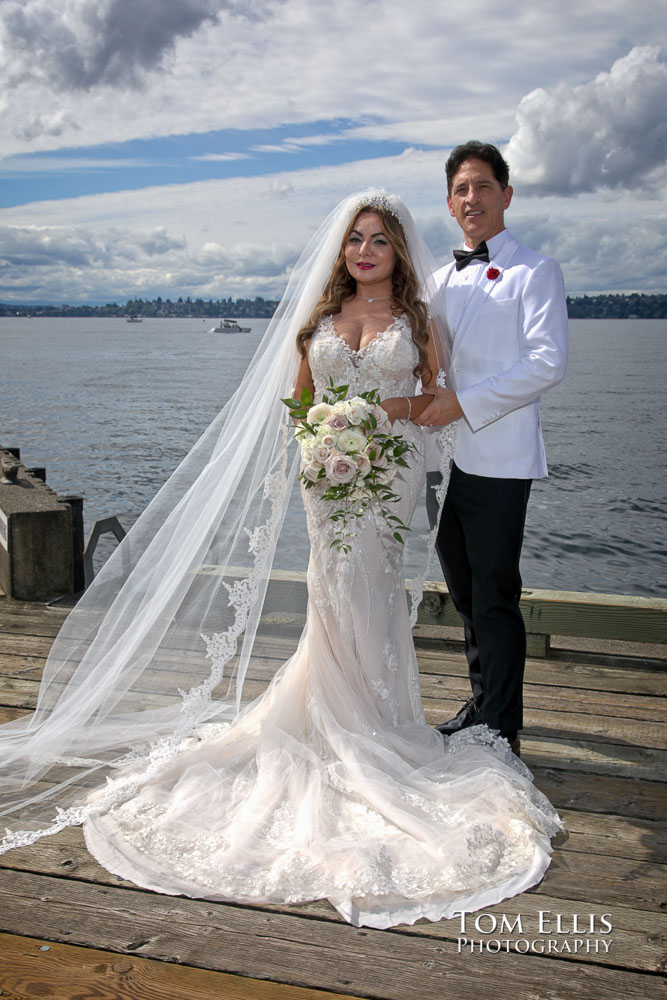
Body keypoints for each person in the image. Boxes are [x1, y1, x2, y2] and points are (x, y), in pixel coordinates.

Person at [0, 191, 561, 929]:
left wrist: (382, 422)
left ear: (397, 250)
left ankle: (378, 718)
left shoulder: (417, 322)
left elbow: (436, 402)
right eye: (355, 240)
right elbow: (296, 407)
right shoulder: (317, 325)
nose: (364, 251)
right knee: (330, 591)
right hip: (327, 480)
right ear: (342, 252)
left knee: (374, 592)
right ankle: (332, 712)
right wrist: (322, 440)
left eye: (378, 241)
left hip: (386, 479)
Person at [417, 142, 569, 756]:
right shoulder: (436, 279)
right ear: (450, 205)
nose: (471, 198)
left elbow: (548, 363)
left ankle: (501, 724)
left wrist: (464, 401)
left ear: (506, 194)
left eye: (482, 186)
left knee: (495, 591)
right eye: (460, 189)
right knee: (462, 590)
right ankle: (483, 698)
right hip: (439, 459)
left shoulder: (537, 271)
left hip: (499, 458)